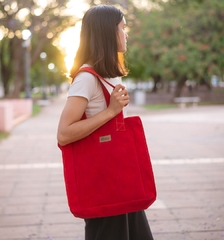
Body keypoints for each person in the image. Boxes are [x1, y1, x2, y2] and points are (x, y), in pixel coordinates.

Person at [57, 5, 154, 240]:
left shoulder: (110, 74)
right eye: (123, 27)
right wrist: (111, 111)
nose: (126, 33)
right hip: (104, 183)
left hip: (121, 179)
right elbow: (64, 134)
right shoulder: (87, 78)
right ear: (107, 33)